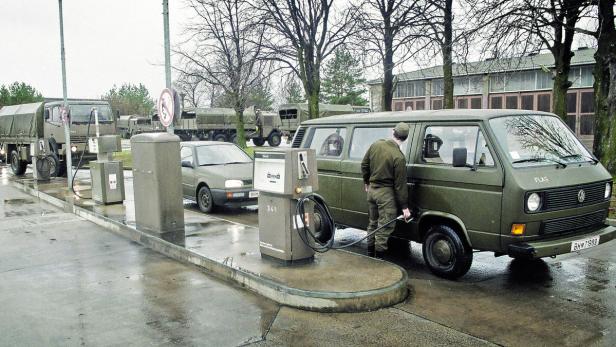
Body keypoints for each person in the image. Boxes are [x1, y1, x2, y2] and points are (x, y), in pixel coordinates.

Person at [361, 122, 412, 258]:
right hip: (385, 195)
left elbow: (364, 164)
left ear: (392, 132)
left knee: (373, 223)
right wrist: (405, 208)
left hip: (372, 191)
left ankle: (370, 254)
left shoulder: (376, 144)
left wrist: (367, 182)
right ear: (405, 138)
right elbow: (400, 185)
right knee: (384, 228)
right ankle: (379, 260)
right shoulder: (399, 157)